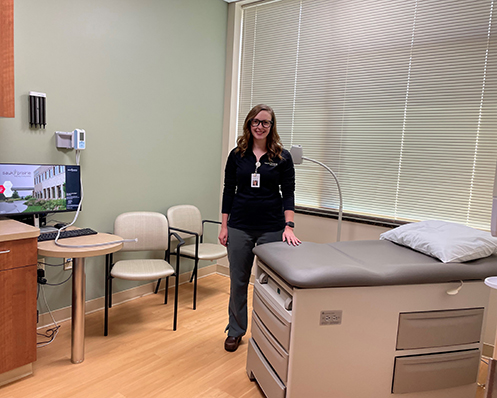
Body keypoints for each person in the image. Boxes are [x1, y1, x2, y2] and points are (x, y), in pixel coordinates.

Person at [219, 104, 301, 352]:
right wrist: (224, 226)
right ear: (248, 124)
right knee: (238, 281)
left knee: (268, 283)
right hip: (240, 226)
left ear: (272, 126)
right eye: (255, 121)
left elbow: (288, 194)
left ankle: (267, 331)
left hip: (270, 227)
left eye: (265, 122)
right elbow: (228, 191)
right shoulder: (237, 155)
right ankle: (235, 330)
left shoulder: (282, 157)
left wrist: (289, 226)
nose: (260, 126)